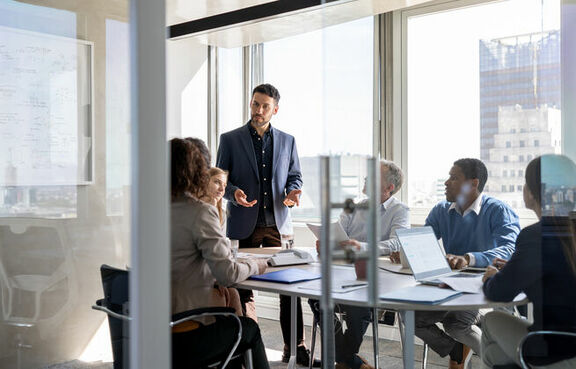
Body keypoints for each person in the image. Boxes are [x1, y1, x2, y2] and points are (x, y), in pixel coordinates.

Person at [216, 83, 318, 366]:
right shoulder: (229, 139)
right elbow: (218, 181)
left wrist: (293, 192)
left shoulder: (288, 141)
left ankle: (294, 347)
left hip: (277, 225)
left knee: (289, 287)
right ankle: (249, 349)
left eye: (264, 106)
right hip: (242, 224)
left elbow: (295, 177)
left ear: (275, 109)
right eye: (255, 104)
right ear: (250, 103)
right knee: (242, 288)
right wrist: (232, 192)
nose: (258, 111)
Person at [169, 138, 270, 369]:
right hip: (185, 336)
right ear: (199, 173)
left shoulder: (152, 209)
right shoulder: (199, 212)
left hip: (151, 331)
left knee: (229, 312)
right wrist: (258, 264)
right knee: (248, 329)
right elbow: (228, 274)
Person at [415, 158, 521, 369]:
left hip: (484, 287)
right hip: (449, 286)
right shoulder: (440, 210)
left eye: (453, 178)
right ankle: (454, 349)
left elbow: (509, 250)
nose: (446, 182)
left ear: (473, 184)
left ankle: (506, 364)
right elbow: (422, 242)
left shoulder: (498, 210)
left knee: (456, 323)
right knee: (411, 316)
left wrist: (469, 258)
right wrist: (406, 252)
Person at [310, 160, 410, 369]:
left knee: (359, 308)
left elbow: (397, 242)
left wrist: (362, 246)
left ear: (389, 188)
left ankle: (345, 359)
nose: (365, 178)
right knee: (316, 296)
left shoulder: (400, 210)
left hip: (374, 278)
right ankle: (349, 360)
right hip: (343, 272)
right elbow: (340, 235)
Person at [481, 155, 576, 368]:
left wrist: (492, 277)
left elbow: (499, 293)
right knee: (495, 354)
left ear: (533, 192)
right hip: (567, 346)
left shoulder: (536, 236)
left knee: (489, 321)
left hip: (559, 352)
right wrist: (516, 267)